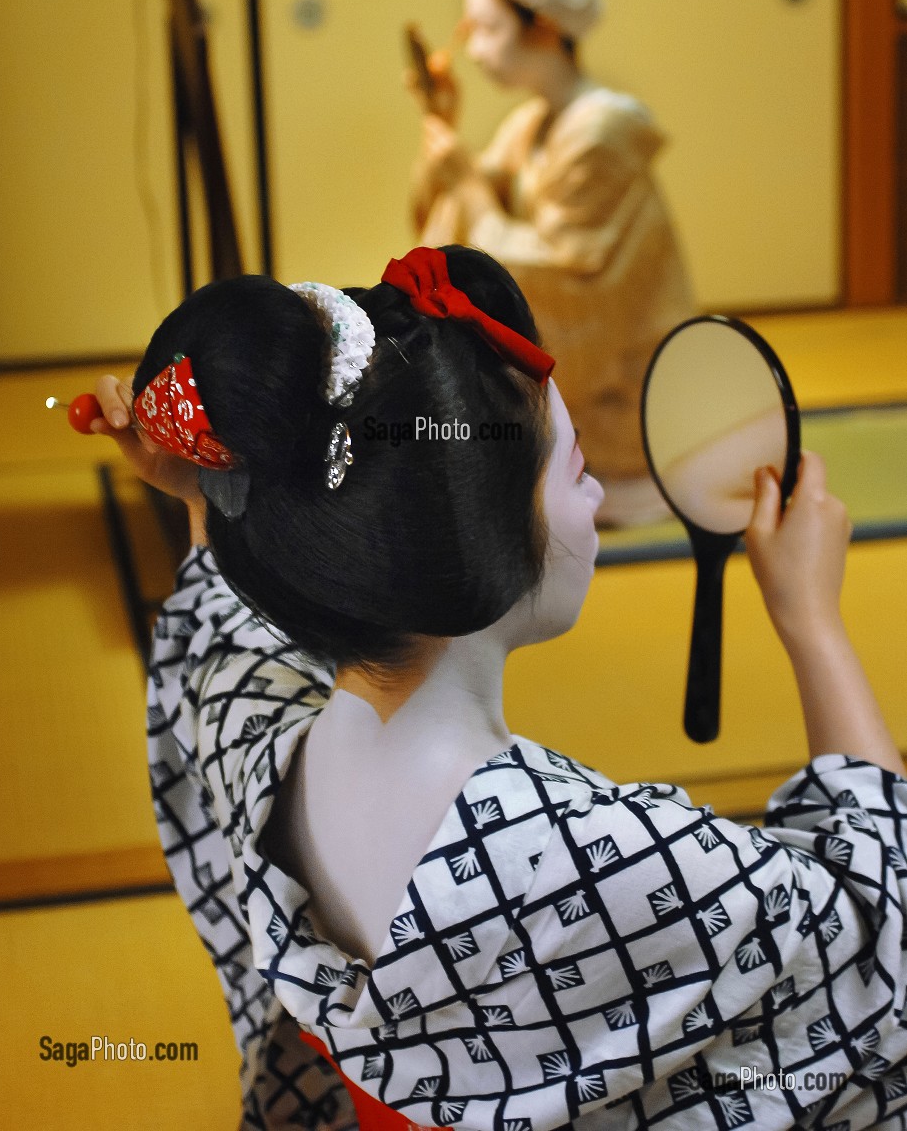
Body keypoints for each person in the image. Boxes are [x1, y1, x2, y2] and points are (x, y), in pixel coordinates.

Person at [90, 246, 907, 1130]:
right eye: (573, 467)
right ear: (478, 541)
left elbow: (227, 628)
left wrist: (205, 498)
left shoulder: (257, 740)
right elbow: (881, 939)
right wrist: (811, 623)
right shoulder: (589, 854)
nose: (593, 495)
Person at [408, 0, 695, 525]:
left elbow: (564, 277)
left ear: (541, 30)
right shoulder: (533, 122)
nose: (475, 50)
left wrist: (465, 183)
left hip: (619, 374)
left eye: (488, 29)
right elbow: (450, 215)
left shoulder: (600, 133)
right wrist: (441, 124)